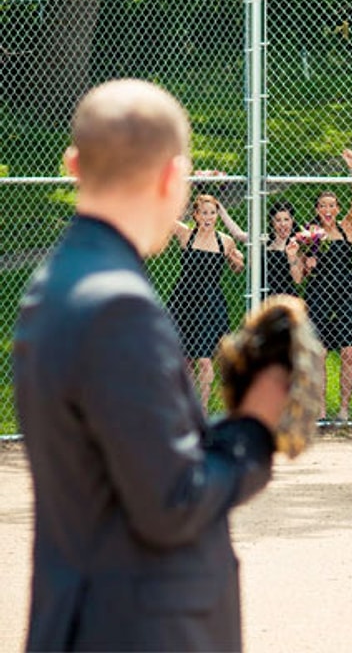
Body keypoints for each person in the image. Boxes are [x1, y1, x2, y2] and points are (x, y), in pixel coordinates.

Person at [12, 79, 289, 651]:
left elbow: (130, 456)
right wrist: (256, 423)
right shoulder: (120, 305)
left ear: (73, 165)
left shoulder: (53, 286)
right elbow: (173, 500)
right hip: (138, 628)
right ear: (171, 178)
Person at [302, 149, 352, 421]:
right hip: (321, 293)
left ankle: (344, 410)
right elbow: (301, 270)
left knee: (348, 352)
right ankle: (320, 408)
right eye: (322, 206)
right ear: (317, 210)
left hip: (348, 292)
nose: (327, 210)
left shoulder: (348, 226)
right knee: (320, 352)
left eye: (331, 205)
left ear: (337, 209)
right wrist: (306, 262)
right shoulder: (310, 235)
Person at [168, 192, 245, 409]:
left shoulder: (225, 241)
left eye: (212, 213)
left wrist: (238, 261)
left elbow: (238, 267)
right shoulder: (186, 234)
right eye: (204, 213)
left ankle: (201, 410)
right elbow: (166, 216)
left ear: (217, 216)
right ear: (196, 215)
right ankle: (186, 409)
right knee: (186, 360)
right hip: (185, 299)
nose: (208, 217)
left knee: (204, 359)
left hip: (210, 304)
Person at [216, 197, 305, 297]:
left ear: (292, 221)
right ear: (272, 222)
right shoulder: (264, 240)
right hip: (263, 297)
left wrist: (291, 256)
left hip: (286, 299)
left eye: (286, 219)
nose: (283, 224)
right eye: (278, 220)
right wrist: (220, 209)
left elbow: (297, 279)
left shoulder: (297, 243)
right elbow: (238, 234)